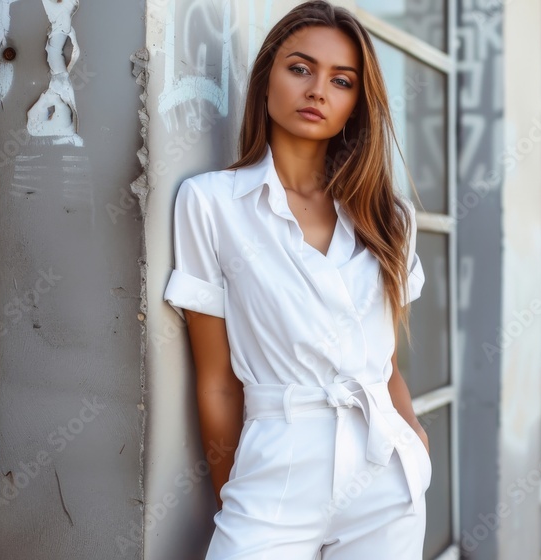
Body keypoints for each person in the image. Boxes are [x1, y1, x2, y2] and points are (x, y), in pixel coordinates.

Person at [162, 2, 431, 558]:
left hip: (385, 473)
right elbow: (215, 380)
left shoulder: (389, 218)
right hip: (275, 469)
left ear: (357, 103)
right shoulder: (210, 203)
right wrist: (231, 493)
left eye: (341, 80)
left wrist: (416, 439)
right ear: (266, 80)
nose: (317, 90)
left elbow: (388, 368)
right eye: (300, 69)